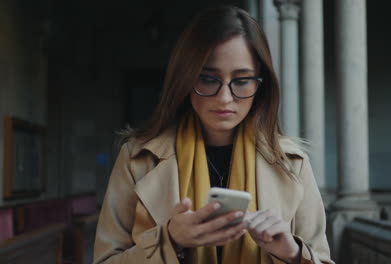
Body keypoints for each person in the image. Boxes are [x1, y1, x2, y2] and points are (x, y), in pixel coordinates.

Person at [94, 5, 334, 264]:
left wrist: (292, 253)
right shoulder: (137, 159)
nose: (225, 98)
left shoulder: (292, 163)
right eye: (208, 79)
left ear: (260, 85)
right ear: (186, 79)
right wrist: (169, 241)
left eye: (241, 81)